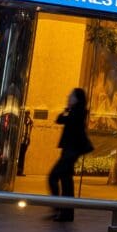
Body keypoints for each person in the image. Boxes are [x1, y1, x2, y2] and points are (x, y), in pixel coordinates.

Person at [47, 88, 92, 222]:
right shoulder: (74, 111)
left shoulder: (78, 112)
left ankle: (58, 208)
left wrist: (68, 110)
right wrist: (67, 109)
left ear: (77, 99)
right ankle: (66, 213)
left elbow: (62, 120)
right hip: (69, 151)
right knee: (66, 181)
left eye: (70, 96)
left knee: (53, 177)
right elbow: (59, 119)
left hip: (71, 152)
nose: (68, 97)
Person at [17, 110, 33, 177]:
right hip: (20, 141)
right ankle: (16, 170)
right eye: (26, 113)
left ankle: (20, 171)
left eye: (28, 113)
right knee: (18, 156)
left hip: (25, 141)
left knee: (22, 156)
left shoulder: (30, 122)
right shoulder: (20, 121)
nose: (27, 115)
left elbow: (30, 131)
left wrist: (29, 139)